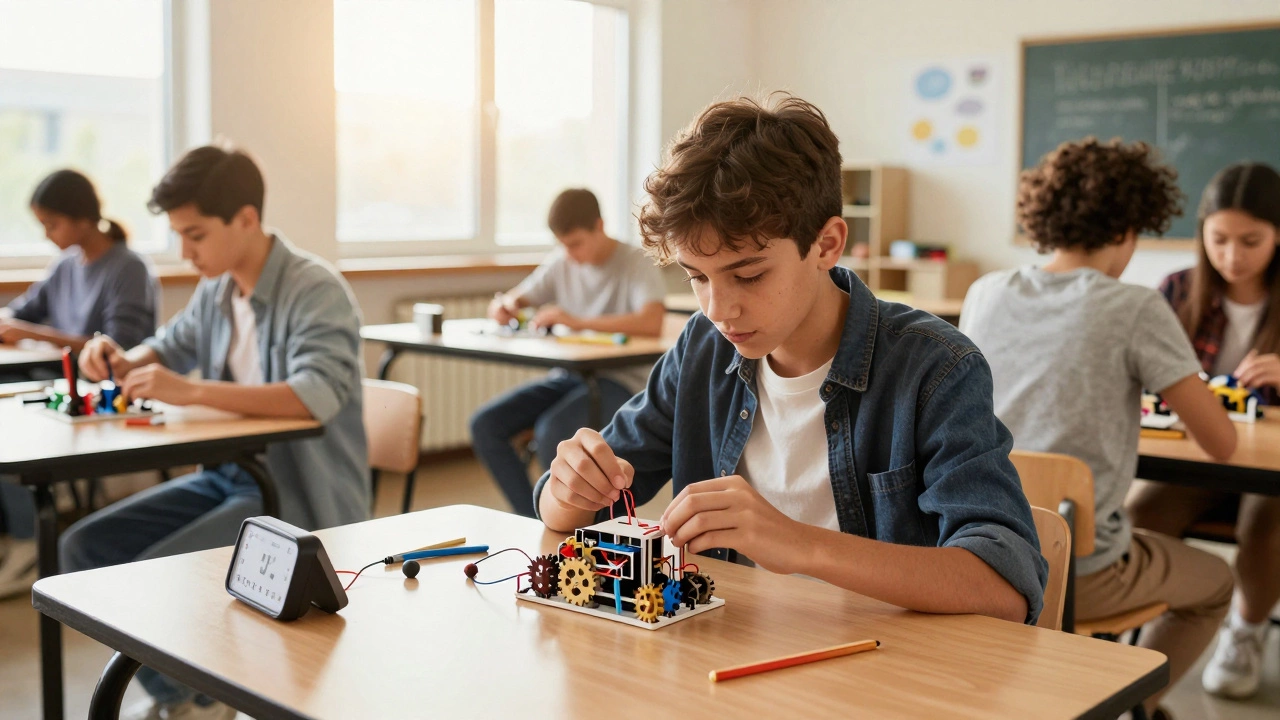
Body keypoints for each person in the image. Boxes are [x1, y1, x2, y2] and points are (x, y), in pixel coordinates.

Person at [536, 94, 1047, 626]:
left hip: (885, 675)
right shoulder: (703, 350)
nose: (718, 308)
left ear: (826, 245)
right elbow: (563, 515)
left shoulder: (935, 367)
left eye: (749, 275)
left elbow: (1005, 585)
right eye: (697, 277)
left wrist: (801, 545)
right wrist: (569, 486)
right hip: (725, 661)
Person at [67, 145, 369, 720]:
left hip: (293, 499)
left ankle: (202, 696)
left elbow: (314, 397)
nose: (185, 251)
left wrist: (192, 389)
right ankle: (192, 697)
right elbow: (171, 343)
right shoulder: (219, 289)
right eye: (179, 234)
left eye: (196, 234)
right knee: (85, 547)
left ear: (247, 219)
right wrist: (121, 358)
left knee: (161, 580)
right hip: (233, 478)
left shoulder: (315, 289)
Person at [961, 137, 1237, 719]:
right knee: (1214, 584)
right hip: (1082, 568)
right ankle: (1114, 705)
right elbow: (1222, 441)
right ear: (1125, 231)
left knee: (1140, 522)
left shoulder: (985, 291)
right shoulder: (1134, 307)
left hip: (976, 551)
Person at [1129, 162, 1280, 699]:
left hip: (1268, 473)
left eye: (1251, 241)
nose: (1233, 255)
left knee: (1266, 527)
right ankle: (1139, 641)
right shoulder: (1177, 291)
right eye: (1219, 239)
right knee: (1140, 515)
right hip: (1202, 460)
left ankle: (1247, 630)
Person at [0, 169, 159, 600]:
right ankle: (18, 530)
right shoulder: (66, 265)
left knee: (10, 413)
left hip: (96, 386)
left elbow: (118, 349)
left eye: (52, 224)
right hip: (50, 373)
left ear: (83, 218)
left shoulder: (128, 268)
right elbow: (22, 312)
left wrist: (38, 334)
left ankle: (27, 538)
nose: (48, 235)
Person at [470, 188, 666, 517]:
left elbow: (652, 321)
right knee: (486, 424)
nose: (569, 254)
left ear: (599, 227)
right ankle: (536, 519)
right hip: (572, 375)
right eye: (562, 245)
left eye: (575, 243)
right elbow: (515, 298)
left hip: (622, 381)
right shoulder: (562, 260)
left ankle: (569, 530)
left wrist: (575, 321)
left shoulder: (635, 261)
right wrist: (503, 306)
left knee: (553, 433)